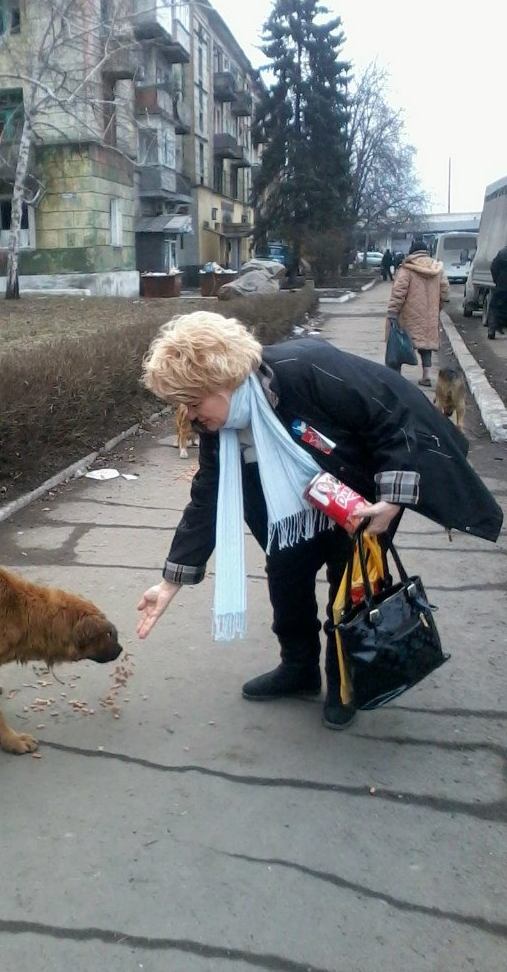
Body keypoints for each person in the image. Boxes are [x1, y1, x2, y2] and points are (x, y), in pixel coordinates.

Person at [136, 311, 502, 731]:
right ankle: (299, 668)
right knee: (286, 584)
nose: (190, 415)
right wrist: (170, 582)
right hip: (291, 516)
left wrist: (392, 501)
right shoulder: (220, 427)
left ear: (225, 380)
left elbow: (394, 413)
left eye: (194, 402)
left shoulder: (305, 369)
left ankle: (343, 684)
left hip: (361, 502)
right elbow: (208, 494)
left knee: (348, 597)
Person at [387, 239, 450, 386]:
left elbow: (399, 292)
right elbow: (445, 291)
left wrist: (392, 311)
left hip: (409, 315)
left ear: (412, 251)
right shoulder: (438, 268)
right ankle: (426, 375)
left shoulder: (407, 269)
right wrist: (438, 306)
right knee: (425, 345)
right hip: (430, 315)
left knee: (401, 343)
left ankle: (397, 376)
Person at [488, 245, 507, 340]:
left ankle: (492, 330)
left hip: (502, 283)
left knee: (495, 307)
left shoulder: (502, 252)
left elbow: (493, 267)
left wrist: (497, 280)